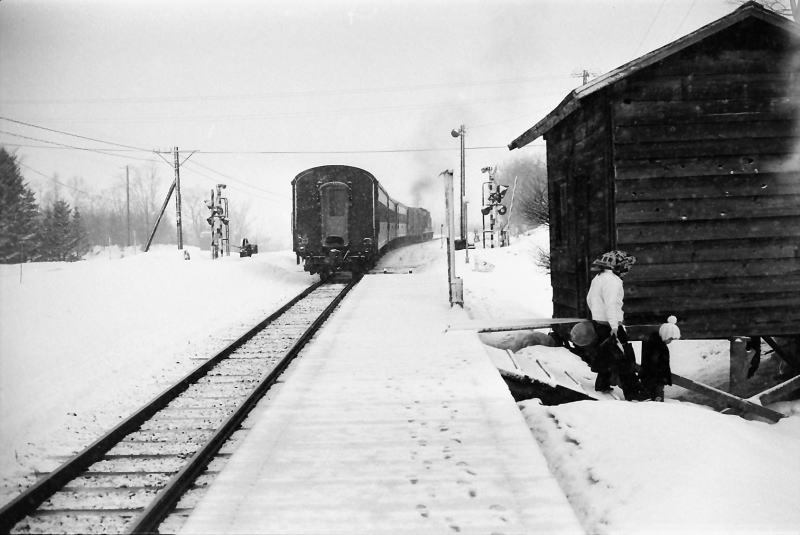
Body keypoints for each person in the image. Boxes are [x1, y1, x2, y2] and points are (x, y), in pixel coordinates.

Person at [586, 249, 642, 400]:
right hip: (611, 325)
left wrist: (597, 316)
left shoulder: (598, 277)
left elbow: (590, 299)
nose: (626, 269)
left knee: (607, 353)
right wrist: (614, 326)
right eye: (625, 265)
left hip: (600, 322)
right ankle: (633, 394)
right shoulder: (613, 281)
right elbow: (611, 304)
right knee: (625, 358)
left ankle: (602, 384)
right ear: (617, 265)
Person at [640, 316, 680, 401]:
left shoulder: (655, 344)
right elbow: (658, 365)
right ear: (666, 335)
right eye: (670, 338)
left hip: (652, 380)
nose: (671, 341)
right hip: (655, 381)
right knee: (656, 403)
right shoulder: (658, 347)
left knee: (653, 402)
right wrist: (663, 378)